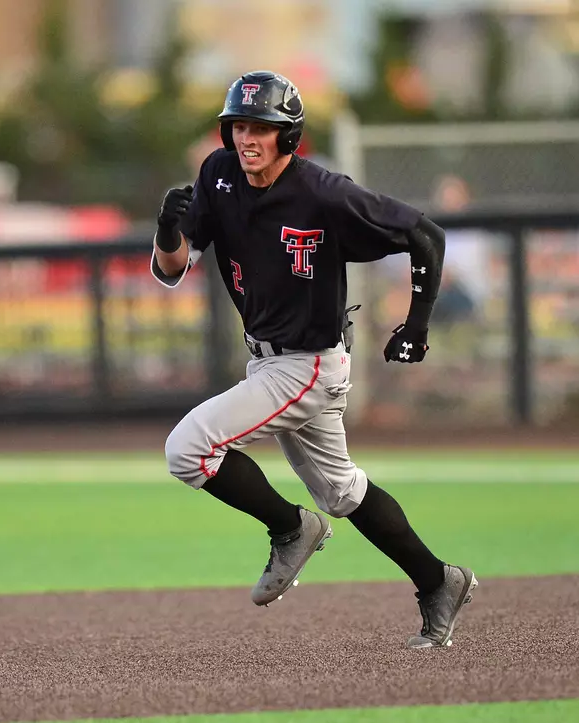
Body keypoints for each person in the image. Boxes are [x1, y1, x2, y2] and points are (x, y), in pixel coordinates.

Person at [153, 71, 476, 649]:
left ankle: (290, 527)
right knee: (344, 494)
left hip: (308, 365)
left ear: (289, 136)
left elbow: (426, 235)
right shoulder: (219, 175)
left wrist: (417, 324)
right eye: (239, 126)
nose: (248, 138)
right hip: (270, 362)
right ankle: (439, 581)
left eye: (262, 128)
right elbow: (172, 269)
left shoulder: (324, 192)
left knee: (189, 449)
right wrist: (166, 229)